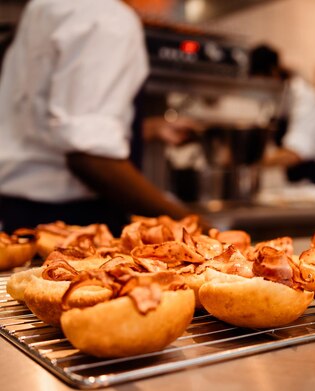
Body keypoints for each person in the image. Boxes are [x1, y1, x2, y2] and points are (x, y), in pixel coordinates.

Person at [0, 0, 204, 234]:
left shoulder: (45, 6)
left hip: (16, 213)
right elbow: (90, 158)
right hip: (73, 224)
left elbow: (48, 124)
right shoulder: (109, 19)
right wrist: (196, 228)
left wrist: (149, 129)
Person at [249, 44, 315, 189]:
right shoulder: (273, 100)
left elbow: (294, 153)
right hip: (294, 182)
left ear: (273, 72)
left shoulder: (306, 97)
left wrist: (248, 165)